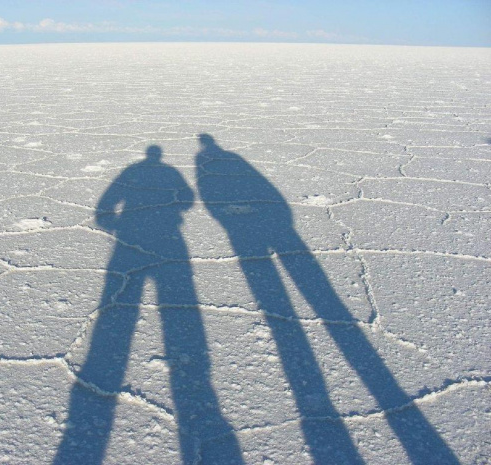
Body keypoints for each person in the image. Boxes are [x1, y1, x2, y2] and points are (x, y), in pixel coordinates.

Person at [195, 134, 458, 465]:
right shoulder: (226, 160)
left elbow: (219, 193)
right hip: (271, 229)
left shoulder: (216, 162)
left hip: (253, 231)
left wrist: (227, 218)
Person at [55, 145, 242, 464]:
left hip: (133, 237)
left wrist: (111, 223)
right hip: (167, 238)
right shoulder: (168, 172)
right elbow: (186, 198)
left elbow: (107, 206)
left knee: (120, 308)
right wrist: (176, 210)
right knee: (174, 303)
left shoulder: (132, 172)